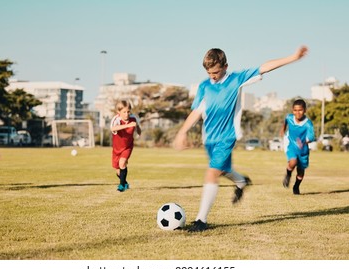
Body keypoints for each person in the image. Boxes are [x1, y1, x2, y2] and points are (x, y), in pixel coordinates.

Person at [173, 46, 308, 232]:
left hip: (227, 137)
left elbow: (264, 67)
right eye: (209, 72)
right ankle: (242, 182)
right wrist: (182, 132)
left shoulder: (236, 79)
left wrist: (292, 57)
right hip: (209, 139)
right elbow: (196, 111)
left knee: (212, 172)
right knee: (221, 170)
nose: (212, 76)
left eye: (216, 72)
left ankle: (201, 220)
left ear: (225, 66)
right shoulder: (204, 86)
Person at [281, 99, 315, 195]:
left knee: (300, 172)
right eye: (295, 110)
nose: (297, 112)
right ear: (292, 110)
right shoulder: (289, 118)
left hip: (303, 150)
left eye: (300, 110)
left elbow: (311, 137)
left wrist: (304, 141)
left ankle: (296, 186)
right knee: (293, 161)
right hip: (291, 145)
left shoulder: (308, 123)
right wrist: (282, 130)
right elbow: (285, 122)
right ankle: (288, 176)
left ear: (304, 110)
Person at [110, 100, 141, 192]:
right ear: (118, 112)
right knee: (118, 171)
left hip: (128, 146)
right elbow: (113, 128)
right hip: (117, 148)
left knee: (122, 163)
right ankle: (125, 183)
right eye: (124, 112)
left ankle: (121, 186)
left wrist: (138, 131)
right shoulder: (116, 120)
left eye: (128, 111)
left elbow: (137, 125)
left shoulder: (133, 118)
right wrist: (127, 126)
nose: (127, 114)